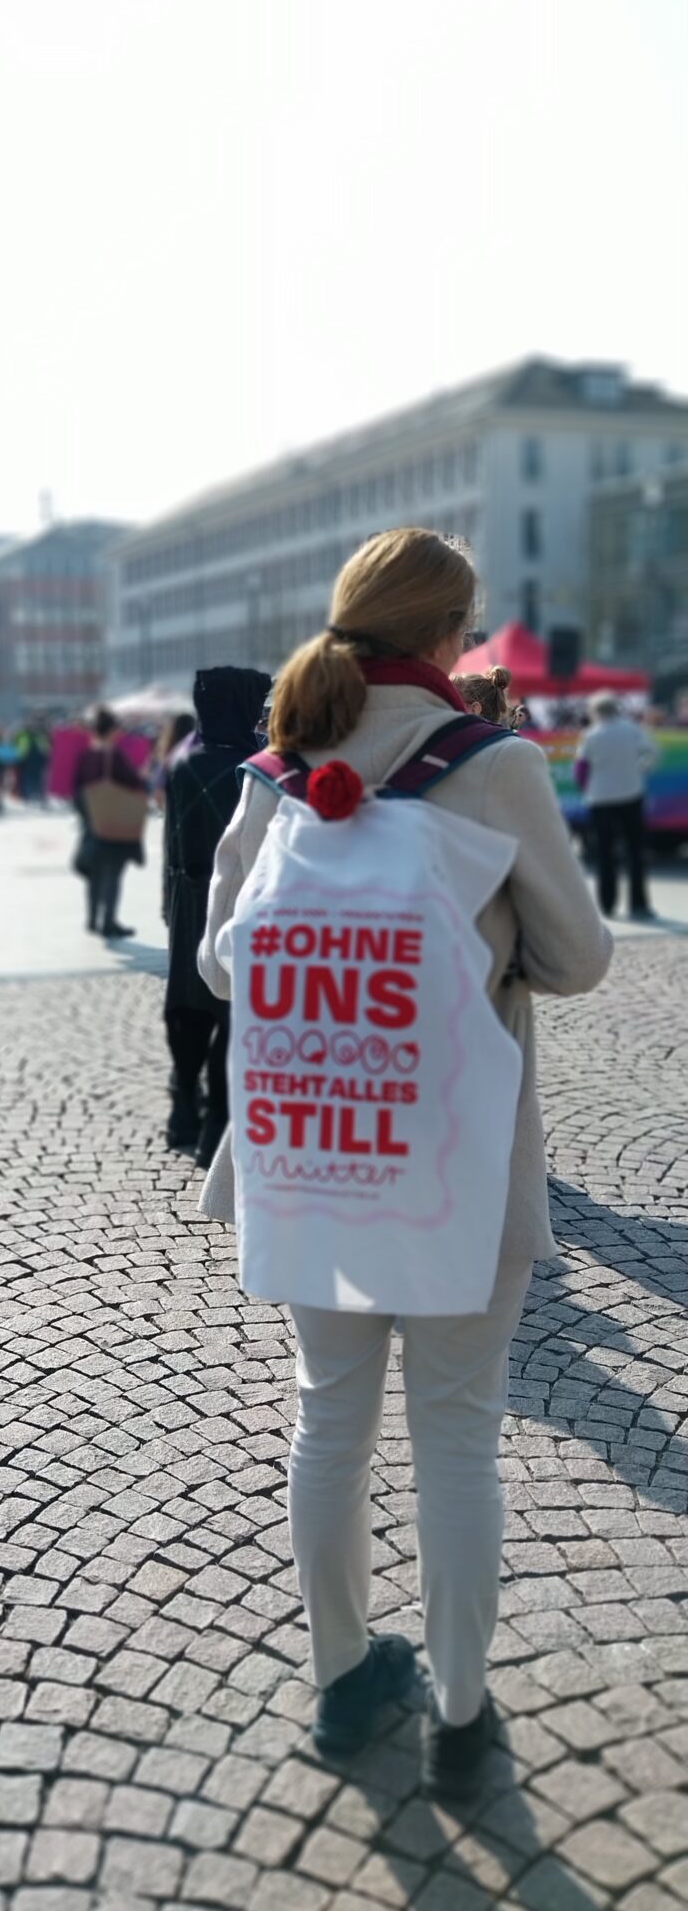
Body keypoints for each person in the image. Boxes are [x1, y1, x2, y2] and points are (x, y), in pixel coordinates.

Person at [199, 528, 612, 1797]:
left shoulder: (277, 765)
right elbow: (580, 955)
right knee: (457, 1432)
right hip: (452, 1154)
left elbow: (225, 959)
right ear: (449, 635)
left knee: (328, 1418)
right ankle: (460, 1708)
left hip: (318, 1143)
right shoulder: (489, 766)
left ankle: (338, 1680)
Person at [163, 666, 271, 1166]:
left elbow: (171, 841)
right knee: (229, 1014)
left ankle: (182, 1107)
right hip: (235, 899)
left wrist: (169, 907)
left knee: (186, 1007)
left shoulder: (184, 765)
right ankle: (213, 1130)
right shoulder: (258, 768)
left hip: (187, 896)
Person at [575, 691, 659, 921]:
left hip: (600, 797)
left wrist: (587, 788)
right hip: (631, 793)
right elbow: (652, 752)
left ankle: (607, 903)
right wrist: (640, 769)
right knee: (635, 851)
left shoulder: (590, 735)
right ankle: (639, 903)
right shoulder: (631, 729)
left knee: (604, 853)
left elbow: (581, 768)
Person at [74, 707, 147, 940]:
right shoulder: (113, 755)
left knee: (94, 873)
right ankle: (109, 922)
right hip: (112, 822)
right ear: (112, 730)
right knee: (113, 873)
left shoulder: (86, 754)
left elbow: (77, 789)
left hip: (91, 822)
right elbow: (134, 782)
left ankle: (93, 919)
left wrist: (86, 816)